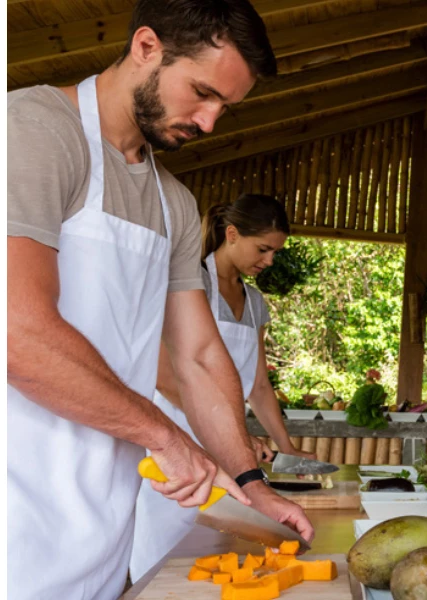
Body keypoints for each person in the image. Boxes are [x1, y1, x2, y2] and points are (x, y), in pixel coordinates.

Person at [7, 2, 311, 598]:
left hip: (102, 531)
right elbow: (14, 331)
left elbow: (198, 355)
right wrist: (167, 438)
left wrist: (250, 484)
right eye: (201, 92)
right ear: (147, 46)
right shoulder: (33, 131)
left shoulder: (173, 203)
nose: (209, 122)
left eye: (225, 106)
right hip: (2, 514)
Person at [130, 194, 315, 580]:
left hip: (229, 446)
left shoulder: (255, 302)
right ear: (231, 234)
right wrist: (233, 433)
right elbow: (165, 374)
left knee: (219, 560)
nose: (269, 260)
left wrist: (287, 447)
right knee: (166, 564)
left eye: (275, 252)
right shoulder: (187, 282)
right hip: (176, 443)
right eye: (263, 249)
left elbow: (259, 385)